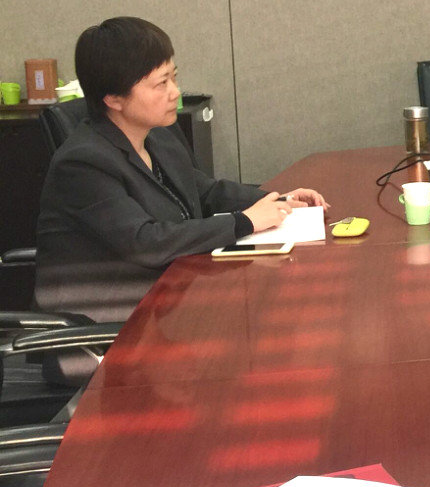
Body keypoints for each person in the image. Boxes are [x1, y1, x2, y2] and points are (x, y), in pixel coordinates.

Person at [34, 17, 327, 321]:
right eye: (161, 83)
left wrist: (278, 200)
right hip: (106, 320)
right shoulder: (83, 163)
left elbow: (205, 192)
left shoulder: (158, 137)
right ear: (114, 99)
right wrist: (245, 222)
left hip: (168, 299)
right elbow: (145, 243)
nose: (175, 92)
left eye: (174, 78)